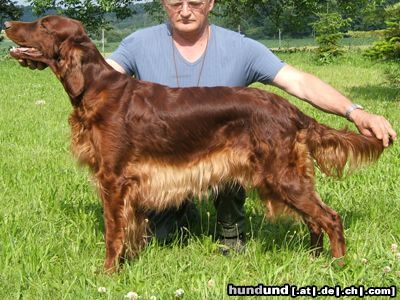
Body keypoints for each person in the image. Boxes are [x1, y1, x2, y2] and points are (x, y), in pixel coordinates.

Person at [19, 0, 397, 253]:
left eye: (195, 2)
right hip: (168, 154)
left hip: (237, 137)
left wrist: (355, 112)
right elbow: (104, 79)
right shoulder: (139, 42)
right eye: (175, 2)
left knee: (282, 183)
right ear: (164, 4)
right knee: (165, 234)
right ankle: (176, 219)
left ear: (211, 3)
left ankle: (318, 232)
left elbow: (297, 82)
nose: (185, 10)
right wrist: (51, 61)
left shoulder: (240, 47)